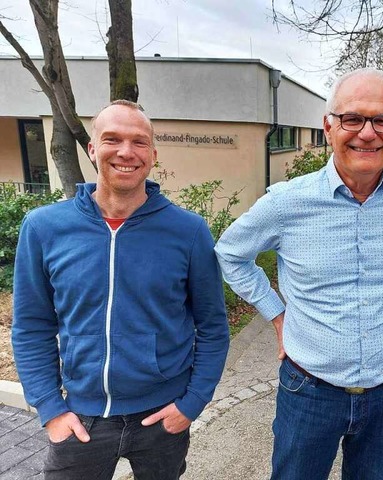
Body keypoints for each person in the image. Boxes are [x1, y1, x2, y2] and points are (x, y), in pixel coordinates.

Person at [215, 68, 383, 479]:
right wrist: (277, 314)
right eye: (353, 119)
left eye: (382, 120)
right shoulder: (287, 203)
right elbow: (231, 253)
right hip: (309, 388)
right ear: (328, 126)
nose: (368, 133)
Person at [12, 100, 230, 480]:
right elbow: (31, 326)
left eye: (139, 142)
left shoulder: (188, 231)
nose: (126, 152)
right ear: (93, 148)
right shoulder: (44, 227)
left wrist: (192, 404)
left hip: (162, 416)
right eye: (112, 139)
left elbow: (212, 326)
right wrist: (50, 408)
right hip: (81, 418)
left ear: (153, 155)